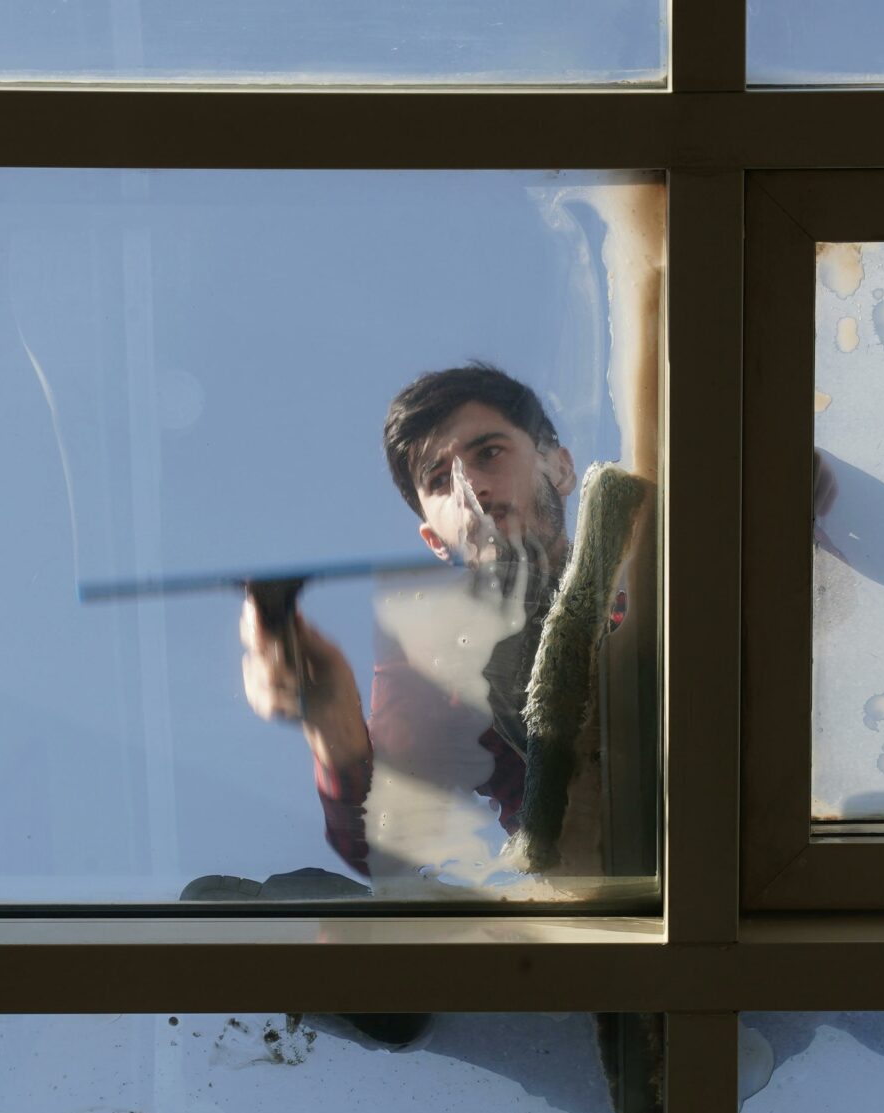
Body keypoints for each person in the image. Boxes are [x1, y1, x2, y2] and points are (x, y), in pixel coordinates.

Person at [237, 187, 661, 894]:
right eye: (440, 478)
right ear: (433, 537)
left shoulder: (655, 543)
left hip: (739, 827)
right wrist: (329, 710)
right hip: (610, 891)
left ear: (559, 463)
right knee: (262, 905)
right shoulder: (437, 658)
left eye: (490, 452)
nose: (474, 491)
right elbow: (386, 843)